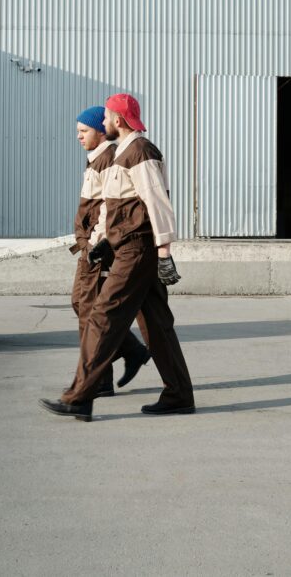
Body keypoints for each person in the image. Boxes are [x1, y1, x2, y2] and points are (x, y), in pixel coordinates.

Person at [40, 93, 194, 421]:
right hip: (125, 247)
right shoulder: (121, 153)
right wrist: (101, 242)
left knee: (102, 317)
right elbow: (112, 208)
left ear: (117, 121)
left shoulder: (139, 151)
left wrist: (164, 252)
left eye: (107, 118)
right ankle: (179, 393)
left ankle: (79, 396)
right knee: (156, 323)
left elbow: (157, 201)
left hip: (137, 249)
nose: (103, 122)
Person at [69, 105, 151, 396]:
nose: (78, 137)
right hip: (87, 244)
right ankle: (131, 351)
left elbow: (108, 206)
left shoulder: (107, 158)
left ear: (101, 131)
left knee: (90, 310)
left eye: (84, 131)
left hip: (97, 246)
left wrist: (96, 242)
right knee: (82, 304)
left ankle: (99, 381)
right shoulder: (96, 159)